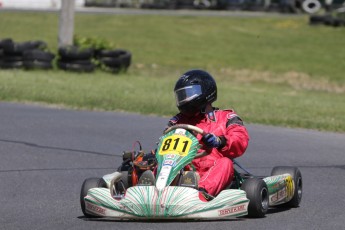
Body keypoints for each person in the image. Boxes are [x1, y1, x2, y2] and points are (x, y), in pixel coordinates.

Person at [166, 69, 250, 201]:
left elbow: (240, 140)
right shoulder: (177, 122)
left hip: (214, 171)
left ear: (205, 93)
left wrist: (220, 141)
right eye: (181, 96)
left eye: (188, 94)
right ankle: (154, 191)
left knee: (225, 162)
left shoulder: (226, 117)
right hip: (185, 170)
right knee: (157, 163)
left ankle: (200, 195)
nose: (184, 99)